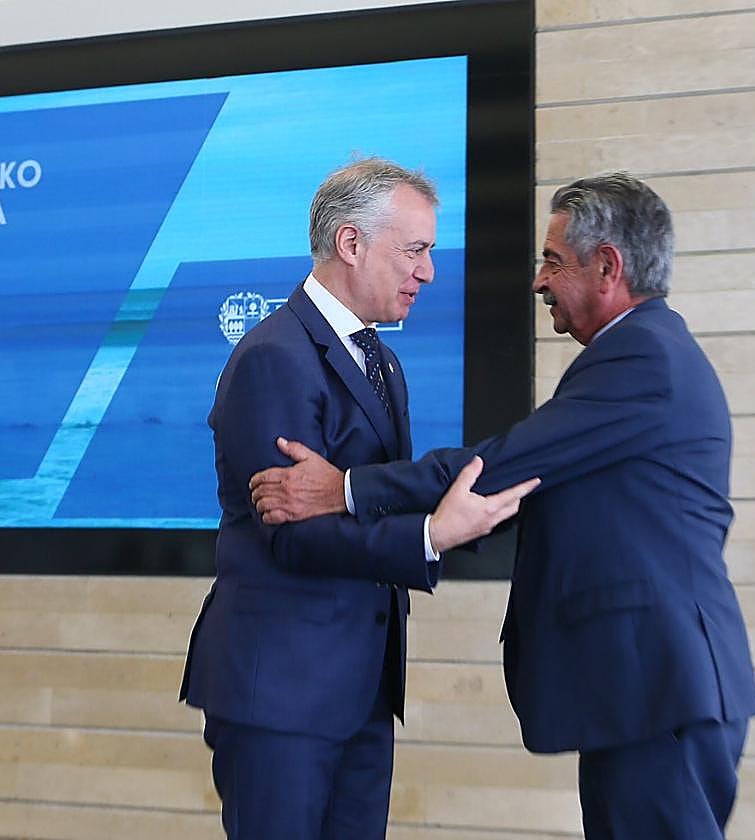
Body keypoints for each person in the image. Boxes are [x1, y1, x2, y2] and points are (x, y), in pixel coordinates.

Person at [250, 172, 755, 839]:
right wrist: (432, 528)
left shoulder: (644, 357)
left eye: (552, 261)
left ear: (608, 267)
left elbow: (508, 463)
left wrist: (343, 487)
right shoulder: (642, 352)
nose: (538, 281)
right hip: (650, 687)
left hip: (661, 687)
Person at [179, 157, 538, 840]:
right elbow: (292, 532)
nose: (428, 272)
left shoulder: (383, 360)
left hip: (360, 690)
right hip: (282, 691)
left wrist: (474, 517)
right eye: (416, 250)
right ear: (351, 243)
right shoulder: (273, 357)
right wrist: (430, 537)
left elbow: (371, 501)